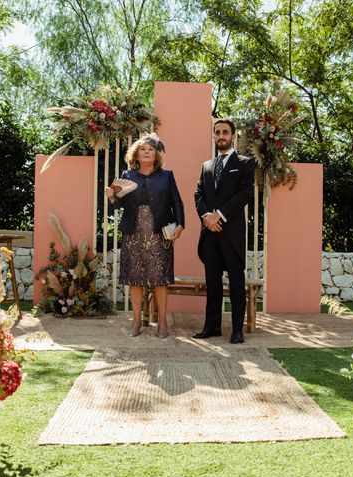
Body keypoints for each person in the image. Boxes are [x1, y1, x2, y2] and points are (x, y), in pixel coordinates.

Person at [105, 134, 185, 338]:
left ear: (156, 154)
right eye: (143, 149)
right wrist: (111, 196)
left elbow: (177, 202)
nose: (147, 152)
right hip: (134, 232)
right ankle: (136, 321)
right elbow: (118, 205)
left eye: (151, 149)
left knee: (160, 278)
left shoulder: (166, 176)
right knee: (135, 278)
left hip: (159, 232)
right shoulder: (127, 175)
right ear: (136, 154)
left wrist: (180, 225)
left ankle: (163, 323)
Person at [193, 119, 255, 344]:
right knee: (213, 284)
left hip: (231, 233)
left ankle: (237, 330)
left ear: (233, 136)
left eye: (225, 132)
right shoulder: (206, 166)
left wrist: (219, 215)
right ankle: (212, 327)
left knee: (237, 283)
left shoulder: (245, 164)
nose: (221, 136)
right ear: (214, 136)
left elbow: (244, 194)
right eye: (217, 132)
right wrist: (207, 217)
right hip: (209, 233)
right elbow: (198, 195)